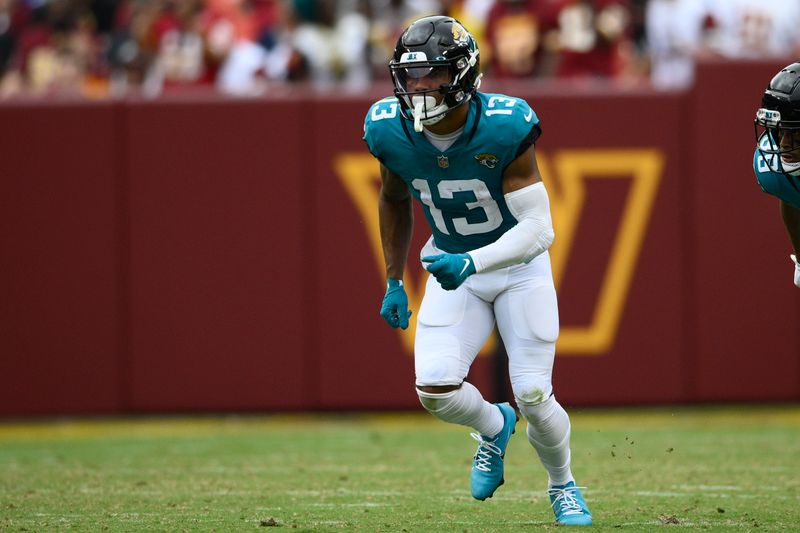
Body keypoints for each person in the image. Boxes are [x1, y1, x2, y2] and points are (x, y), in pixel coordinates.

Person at [362, 15, 593, 526]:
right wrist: (393, 279)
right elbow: (394, 197)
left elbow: (538, 230)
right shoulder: (387, 128)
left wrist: (471, 261)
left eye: (434, 74)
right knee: (435, 389)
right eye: (411, 75)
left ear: (463, 75)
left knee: (533, 392)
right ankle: (494, 426)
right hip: (452, 265)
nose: (420, 87)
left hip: (517, 268)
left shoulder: (504, 125)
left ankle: (563, 485)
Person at [753, 61, 800, 288]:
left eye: (796, 135)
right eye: (779, 131)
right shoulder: (771, 169)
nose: (783, 144)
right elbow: (792, 195)